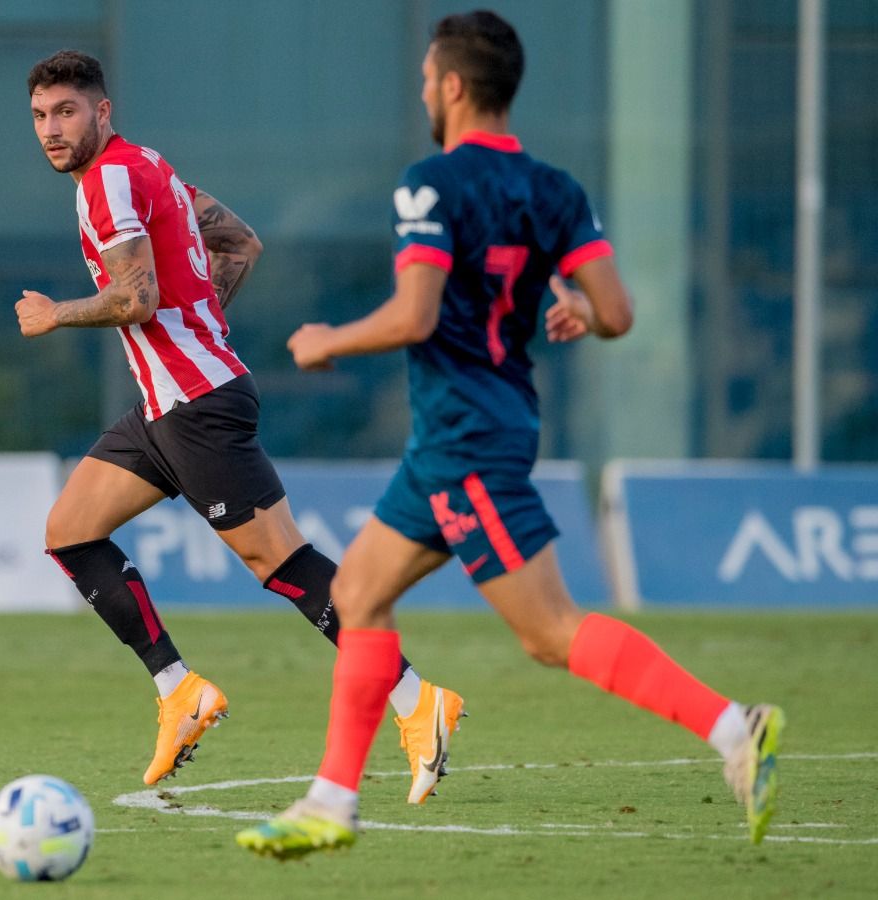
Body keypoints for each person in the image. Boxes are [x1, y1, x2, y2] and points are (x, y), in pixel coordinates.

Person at [236, 11, 783, 858]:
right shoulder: (556, 188)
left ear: (453, 86)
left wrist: (328, 340)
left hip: (466, 438)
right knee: (358, 595)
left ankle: (733, 728)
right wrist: (571, 309)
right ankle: (331, 803)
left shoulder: (429, 183)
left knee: (550, 632)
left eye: (426, 77)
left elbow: (417, 314)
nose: (422, 89)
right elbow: (618, 313)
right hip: (471, 434)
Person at [19, 50, 464, 791]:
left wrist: (56, 315)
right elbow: (239, 243)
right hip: (168, 405)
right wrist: (195, 325)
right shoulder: (146, 167)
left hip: (198, 407)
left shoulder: (109, 181)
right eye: (39, 116)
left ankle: (417, 700)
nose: (51, 129)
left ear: (103, 112)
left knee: (282, 563)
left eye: (66, 111)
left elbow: (135, 298)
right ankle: (179, 691)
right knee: (69, 531)